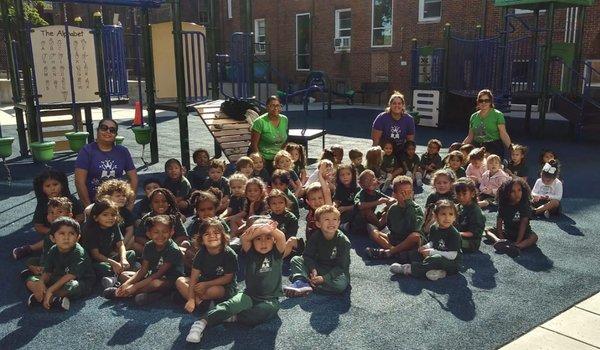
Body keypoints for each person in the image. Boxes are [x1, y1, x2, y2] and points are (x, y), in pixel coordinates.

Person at [185, 218, 286, 343]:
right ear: (253, 242)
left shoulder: (276, 254)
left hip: (270, 298)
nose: (263, 243)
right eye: (258, 239)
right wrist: (262, 228)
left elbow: (281, 237)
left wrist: (270, 229)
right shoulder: (250, 253)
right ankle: (201, 323)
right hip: (249, 294)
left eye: (268, 238)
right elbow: (244, 238)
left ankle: (234, 316)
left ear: (273, 240)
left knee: (267, 310)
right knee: (231, 305)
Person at [103, 215, 184, 305]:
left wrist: (134, 287)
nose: (160, 235)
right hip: (151, 276)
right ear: (148, 234)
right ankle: (151, 295)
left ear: (171, 232)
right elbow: (143, 270)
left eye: (165, 232)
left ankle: (122, 294)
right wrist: (127, 284)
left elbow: (158, 274)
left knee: (155, 284)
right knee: (124, 275)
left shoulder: (173, 250)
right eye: (156, 232)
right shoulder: (149, 245)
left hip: (168, 281)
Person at [26, 217, 95, 310]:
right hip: (59, 276)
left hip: (80, 280)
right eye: (61, 233)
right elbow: (47, 271)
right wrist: (41, 282)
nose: (66, 237)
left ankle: (46, 296)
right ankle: (52, 298)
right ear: (53, 238)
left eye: (71, 234)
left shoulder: (78, 252)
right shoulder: (53, 249)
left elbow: (71, 276)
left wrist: (51, 289)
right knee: (31, 279)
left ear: (78, 237)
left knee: (72, 286)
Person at [13, 169, 84, 260]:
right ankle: (30, 248)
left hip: (72, 229)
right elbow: (38, 226)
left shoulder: (70, 198)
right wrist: (53, 231)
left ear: (62, 184)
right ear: (41, 188)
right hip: (51, 231)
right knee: (53, 239)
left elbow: (81, 215)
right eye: (48, 186)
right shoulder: (43, 203)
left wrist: (71, 224)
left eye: (55, 184)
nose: (52, 188)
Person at [285, 205, 351, 297]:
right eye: (327, 219)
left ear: (339, 222)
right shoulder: (316, 236)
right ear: (318, 224)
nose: (331, 223)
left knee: (340, 285)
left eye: (335, 219)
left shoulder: (343, 241)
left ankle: (307, 283)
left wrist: (324, 278)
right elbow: (307, 255)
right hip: (318, 267)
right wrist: (313, 269)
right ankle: (301, 282)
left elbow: (342, 266)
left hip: (334, 271)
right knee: (296, 259)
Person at [176, 218, 237, 313]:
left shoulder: (229, 254)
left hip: (223, 286)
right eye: (207, 234)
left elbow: (227, 278)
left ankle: (190, 297)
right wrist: (191, 298)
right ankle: (200, 303)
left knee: (207, 291)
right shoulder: (200, 254)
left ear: (223, 236)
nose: (212, 236)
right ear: (201, 240)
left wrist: (206, 285)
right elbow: (194, 277)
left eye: (216, 233)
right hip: (204, 281)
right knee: (180, 281)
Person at [390, 200, 462, 281]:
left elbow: (452, 255)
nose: (447, 218)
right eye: (443, 214)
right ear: (435, 216)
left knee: (436, 258)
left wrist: (431, 252)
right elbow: (432, 242)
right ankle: (438, 272)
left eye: (451, 214)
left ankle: (408, 269)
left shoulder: (454, 234)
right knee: (416, 253)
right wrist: (425, 246)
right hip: (435, 254)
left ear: (455, 217)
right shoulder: (434, 227)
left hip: (451, 263)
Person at [74, 118, 137, 207]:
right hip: (94, 203)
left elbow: (134, 179)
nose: (108, 131)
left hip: (118, 203)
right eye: (104, 128)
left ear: (115, 135)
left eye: (112, 130)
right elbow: (79, 182)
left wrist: (130, 204)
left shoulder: (123, 152)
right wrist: (88, 207)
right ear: (98, 131)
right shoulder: (87, 151)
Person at [365, 176, 423, 259]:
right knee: (372, 230)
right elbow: (391, 226)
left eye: (408, 192)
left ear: (412, 193)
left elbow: (414, 227)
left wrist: (408, 205)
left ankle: (389, 252)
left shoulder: (417, 208)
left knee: (415, 236)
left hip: (408, 240)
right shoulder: (393, 208)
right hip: (395, 238)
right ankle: (395, 252)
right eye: (402, 193)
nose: (406, 196)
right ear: (394, 195)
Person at [81, 198, 136, 288]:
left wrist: (123, 258)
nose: (110, 218)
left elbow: (121, 244)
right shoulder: (90, 230)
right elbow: (96, 255)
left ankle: (115, 277)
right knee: (104, 268)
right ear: (96, 217)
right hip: (96, 261)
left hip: (110, 257)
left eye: (113, 215)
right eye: (105, 215)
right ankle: (121, 276)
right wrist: (113, 263)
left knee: (131, 253)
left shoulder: (114, 225)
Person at [21, 197, 74, 280]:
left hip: (61, 263)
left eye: (59, 212)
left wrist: (47, 267)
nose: (55, 215)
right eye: (51, 212)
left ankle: (43, 276)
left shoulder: (70, 233)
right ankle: (38, 270)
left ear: (69, 216)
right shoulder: (51, 232)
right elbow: (46, 250)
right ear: (48, 217)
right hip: (46, 260)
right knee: (31, 261)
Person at [485, 178, 538, 257]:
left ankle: (517, 247)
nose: (517, 194)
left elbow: (523, 224)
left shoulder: (525, 205)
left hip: (523, 234)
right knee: (487, 230)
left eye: (519, 190)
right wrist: (501, 237)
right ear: (506, 193)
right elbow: (499, 221)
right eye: (513, 191)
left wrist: (518, 241)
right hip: (507, 232)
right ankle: (499, 242)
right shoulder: (503, 204)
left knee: (534, 237)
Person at [135, 188, 188, 253]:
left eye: (164, 201)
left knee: (185, 243)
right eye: (156, 202)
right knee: (135, 245)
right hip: (153, 248)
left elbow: (183, 236)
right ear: (151, 205)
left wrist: (169, 245)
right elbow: (138, 237)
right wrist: (152, 245)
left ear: (169, 203)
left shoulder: (174, 217)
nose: (160, 204)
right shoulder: (147, 218)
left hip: (171, 248)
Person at [462, 89, 511, 158]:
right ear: (478, 102)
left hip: (494, 147)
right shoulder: (473, 116)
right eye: (481, 101)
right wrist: (461, 147)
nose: (483, 103)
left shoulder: (497, 115)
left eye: (486, 100)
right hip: (477, 147)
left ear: (490, 102)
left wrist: (511, 148)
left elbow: (503, 133)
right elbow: (470, 136)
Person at [371, 91, 416, 159]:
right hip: (384, 151)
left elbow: (410, 142)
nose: (397, 106)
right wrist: (374, 155)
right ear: (390, 105)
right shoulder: (381, 118)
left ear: (403, 105)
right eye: (394, 103)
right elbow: (376, 140)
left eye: (399, 103)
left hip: (400, 151)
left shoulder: (409, 119)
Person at [250, 96, 288, 174]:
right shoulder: (260, 122)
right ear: (267, 107)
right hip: (264, 159)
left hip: (278, 159)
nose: (275, 108)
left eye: (277, 105)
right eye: (272, 106)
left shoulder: (284, 119)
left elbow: (284, 141)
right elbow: (254, 145)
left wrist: (283, 157)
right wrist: (260, 161)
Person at [266, 189, 301, 258]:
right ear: (269, 205)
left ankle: (279, 260)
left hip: (285, 247)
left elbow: (290, 238)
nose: (277, 206)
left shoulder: (291, 218)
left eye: (281, 203)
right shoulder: (267, 217)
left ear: (285, 203)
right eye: (274, 203)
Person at [454, 178, 486, 253]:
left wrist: (455, 233)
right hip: (458, 235)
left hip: (471, 242)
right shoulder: (459, 206)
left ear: (472, 194)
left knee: (450, 240)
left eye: (464, 194)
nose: (461, 197)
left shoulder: (476, 212)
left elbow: (473, 233)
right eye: (458, 194)